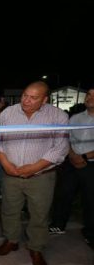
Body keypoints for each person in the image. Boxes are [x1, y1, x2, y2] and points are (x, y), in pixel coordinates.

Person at [0, 81, 69, 265]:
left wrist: (34, 167)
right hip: (11, 174)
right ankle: (11, 240)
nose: (26, 100)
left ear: (45, 99)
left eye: (33, 98)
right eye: (25, 95)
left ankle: (36, 248)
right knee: (9, 209)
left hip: (42, 176)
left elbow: (61, 148)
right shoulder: (7, 114)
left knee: (40, 214)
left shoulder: (58, 116)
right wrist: (6, 164)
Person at [49, 88, 94, 248]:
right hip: (72, 161)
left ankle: (90, 232)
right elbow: (66, 138)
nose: (90, 98)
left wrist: (83, 157)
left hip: (90, 163)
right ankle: (58, 225)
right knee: (63, 193)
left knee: (90, 199)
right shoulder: (75, 118)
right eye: (89, 94)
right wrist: (72, 154)